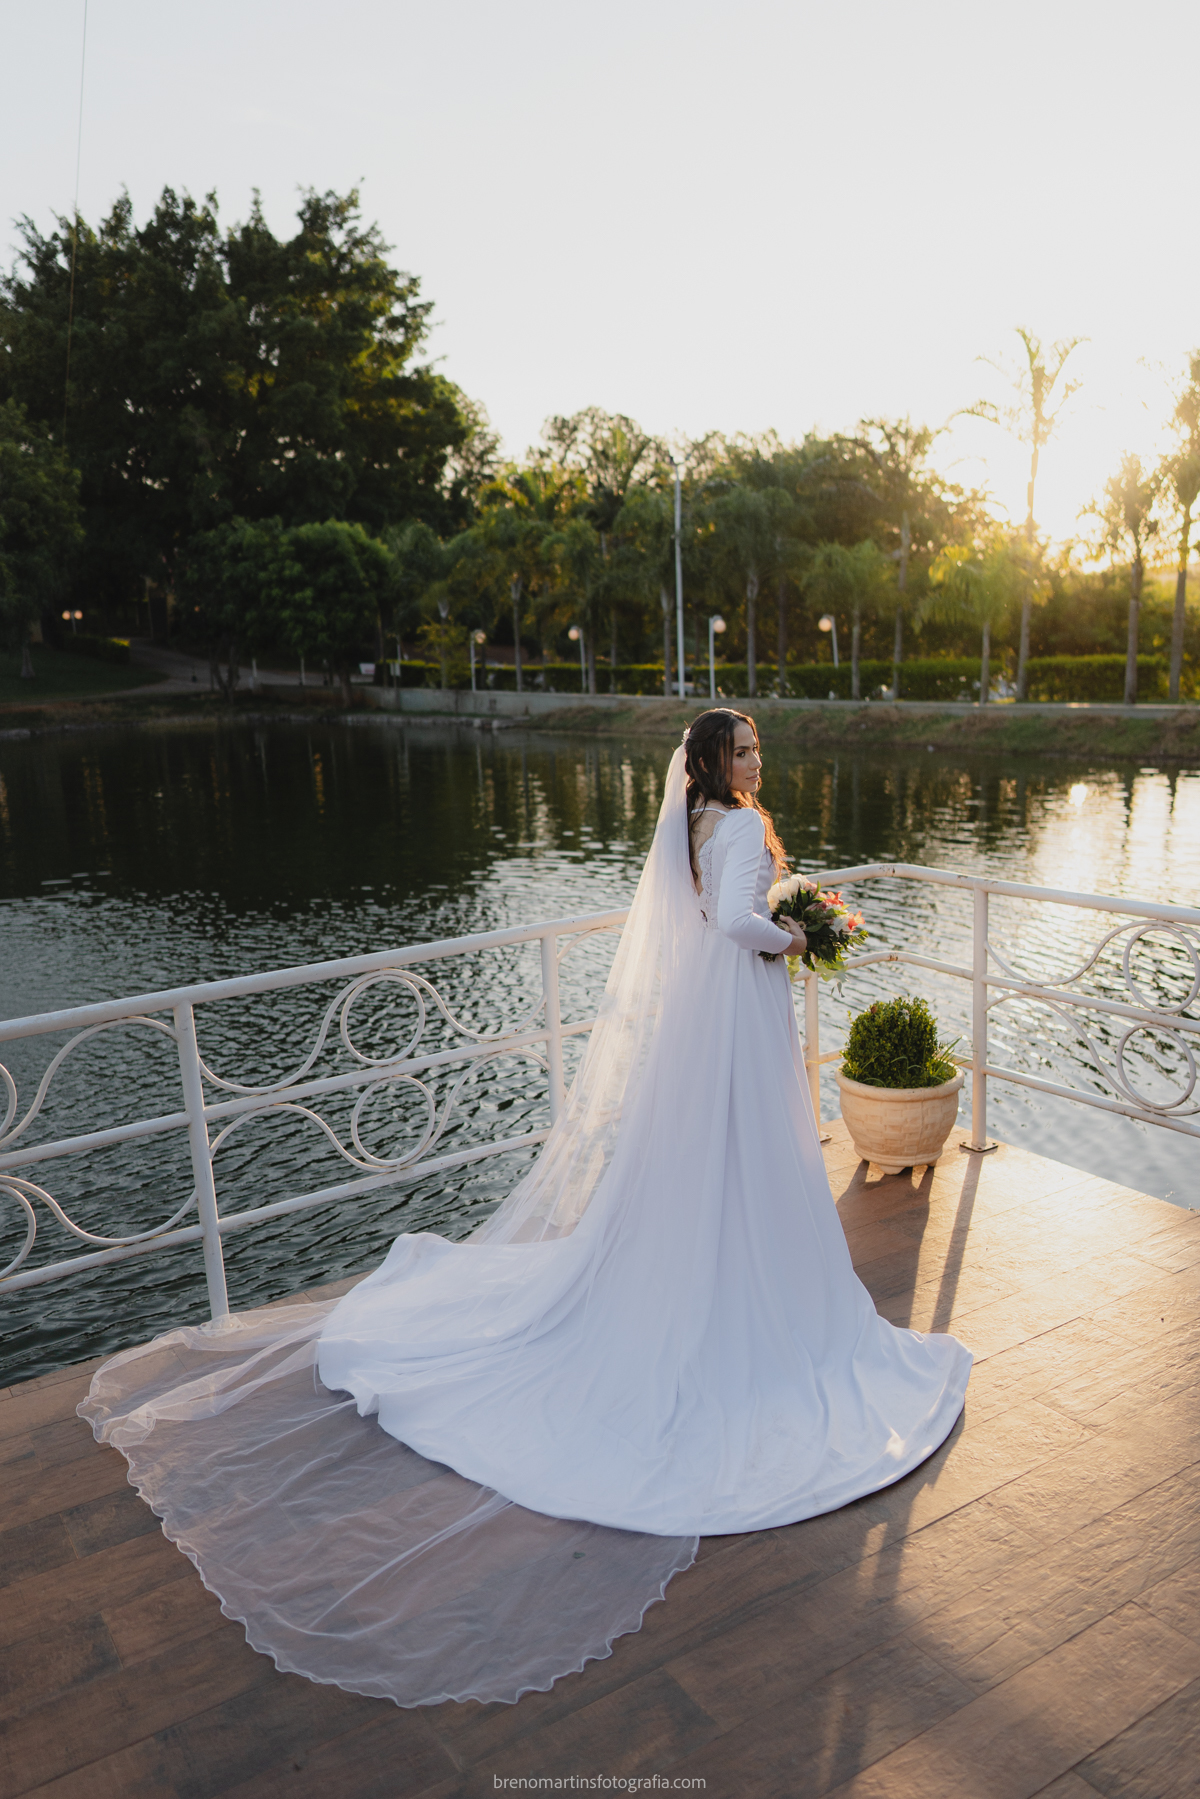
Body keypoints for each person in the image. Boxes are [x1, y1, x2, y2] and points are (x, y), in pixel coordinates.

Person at [81, 709, 971, 1708]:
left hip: (720, 1012)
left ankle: (723, 1263)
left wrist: (785, 924)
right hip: (737, 1003)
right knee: (746, 1147)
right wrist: (795, 931)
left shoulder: (709, 822)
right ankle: (743, 1290)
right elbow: (731, 922)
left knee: (725, 1155)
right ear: (713, 765)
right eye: (743, 751)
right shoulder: (728, 828)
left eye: (758, 748)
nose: (756, 761)